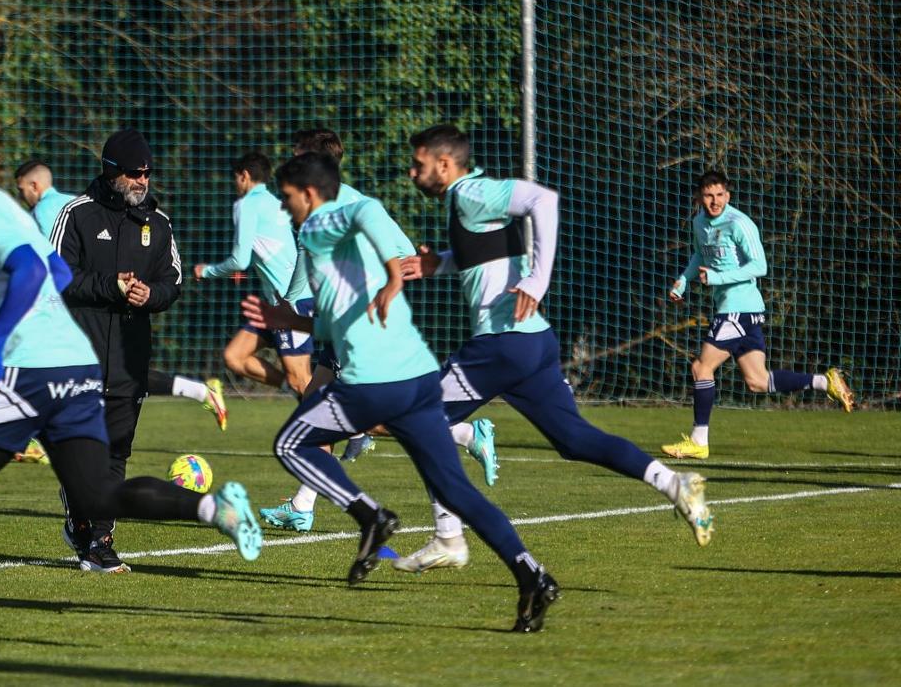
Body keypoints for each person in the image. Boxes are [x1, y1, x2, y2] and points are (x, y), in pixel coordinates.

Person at [0, 109, 261, 652]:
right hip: (76, 362)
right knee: (98, 492)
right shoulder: (15, 207)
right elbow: (61, 272)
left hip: (32, 368)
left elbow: (34, 270)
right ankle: (214, 508)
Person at [244, 152, 558, 632]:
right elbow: (336, 317)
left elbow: (366, 211)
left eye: (286, 199)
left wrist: (394, 274)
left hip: (373, 381)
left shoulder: (327, 223)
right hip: (414, 378)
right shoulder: (325, 234)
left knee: (291, 442)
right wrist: (291, 321)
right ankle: (531, 575)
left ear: (308, 194)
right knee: (455, 488)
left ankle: (370, 515)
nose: (284, 209)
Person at [395, 124, 715, 575]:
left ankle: (449, 537)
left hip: (501, 344)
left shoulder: (470, 193)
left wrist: (538, 280)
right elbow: (489, 255)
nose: (412, 173)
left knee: (417, 420)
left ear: (444, 164)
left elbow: (544, 200)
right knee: (575, 440)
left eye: (419, 164)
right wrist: (439, 263)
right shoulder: (464, 202)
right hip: (532, 344)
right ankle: (674, 484)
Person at [258, 129, 498, 534]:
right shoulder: (320, 207)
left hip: (356, 328)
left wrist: (369, 288)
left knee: (335, 412)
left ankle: (463, 435)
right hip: (340, 326)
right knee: (317, 405)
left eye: (297, 157)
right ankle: (302, 505)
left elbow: (404, 255)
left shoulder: (349, 204)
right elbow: (311, 262)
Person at [48, 128, 226, 573]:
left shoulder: (159, 223)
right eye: (132, 173)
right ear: (110, 172)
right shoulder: (77, 214)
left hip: (129, 359)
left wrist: (153, 295)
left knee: (116, 453)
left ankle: (100, 541)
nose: (141, 180)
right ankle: (83, 519)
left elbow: (174, 281)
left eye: (146, 173)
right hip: (77, 355)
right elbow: (56, 276)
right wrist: (111, 286)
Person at [663, 170, 854, 459]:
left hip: (738, 308)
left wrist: (716, 278)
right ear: (700, 197)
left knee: (701, 368)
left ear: (727, 195)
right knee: (757, 381)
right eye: (708, 196)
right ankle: (825, 381)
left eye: (719, 195)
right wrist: (683, 281)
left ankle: (698, 441)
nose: (714, 201)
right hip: (738, 310)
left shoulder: (739, 223)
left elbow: (759, 266)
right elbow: (700, 256)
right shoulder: (699, 223)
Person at [193, 151, 313, 397]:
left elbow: (240, 260)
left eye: (236, 179)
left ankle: (359, 432)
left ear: (244, 176)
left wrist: (207, 271)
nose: (236, 185)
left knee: (302, 381)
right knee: (234, 357)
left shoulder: (246, 204)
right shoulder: (276, 203)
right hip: (278, 305)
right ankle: (295, 393)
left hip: (290, 304)